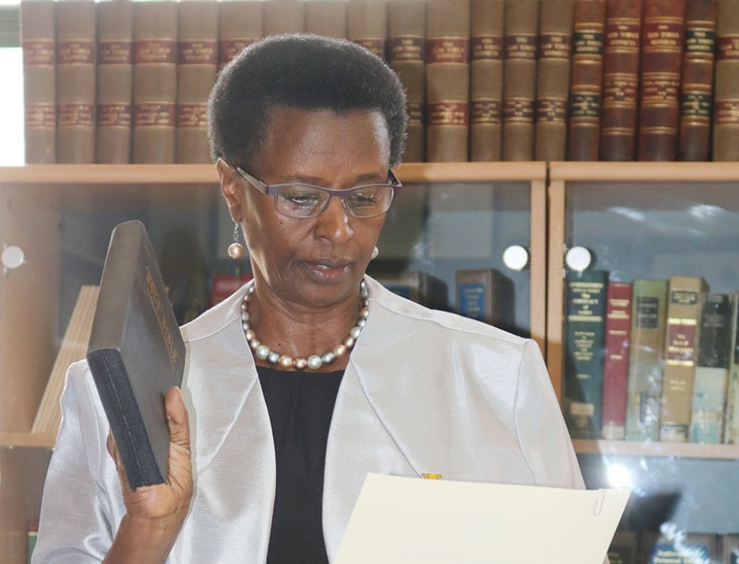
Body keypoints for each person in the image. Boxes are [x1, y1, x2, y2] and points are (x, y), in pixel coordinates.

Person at [33, 34, 584, 564]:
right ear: (233, 189)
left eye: (364, 196)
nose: (339, 229)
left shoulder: (496, 377)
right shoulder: (120, 396)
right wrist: (148, 529)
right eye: (301, 197)